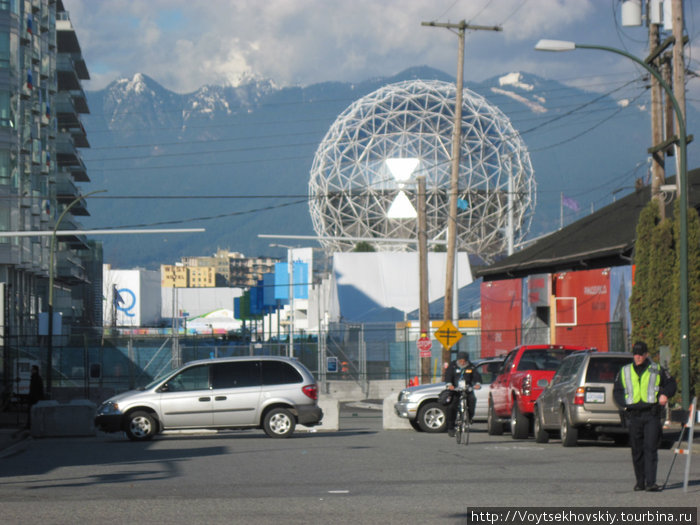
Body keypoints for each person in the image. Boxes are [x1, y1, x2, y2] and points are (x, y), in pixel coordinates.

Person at [613, 341, 676, 492]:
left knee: (650, 448)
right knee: (636, 449)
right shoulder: (625, 371)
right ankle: (640, 482)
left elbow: (671, 384)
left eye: (641, 354)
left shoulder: (656, 369)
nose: (638, 357)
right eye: (636, 354)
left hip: (651, 414)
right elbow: (617, 391)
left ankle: (651, 482)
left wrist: (665, 394)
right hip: (634, 415)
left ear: (646, 354)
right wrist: (625, 404)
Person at [444, 351, 481, 437]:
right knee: (451, 407)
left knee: (472, 400)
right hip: (455, 390)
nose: (462, 362)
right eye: (461, 360)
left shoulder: (471, 367)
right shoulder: (453, 366)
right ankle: (451, 427)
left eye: (464, 360)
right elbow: (448, 376)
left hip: (467, 389)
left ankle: (469, 418)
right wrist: (450, 384)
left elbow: (476, 376)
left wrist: (477, 384)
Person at [27, 364, 44, 429]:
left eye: (32, 369)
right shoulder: (37, 378)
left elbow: (34, 390)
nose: (31, 371)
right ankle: (30, 425)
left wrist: (31, 397)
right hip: (36, 399)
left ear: (35, 370)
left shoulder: (35, 378)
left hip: (34, 399)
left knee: (31, 412)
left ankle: (30, 425)